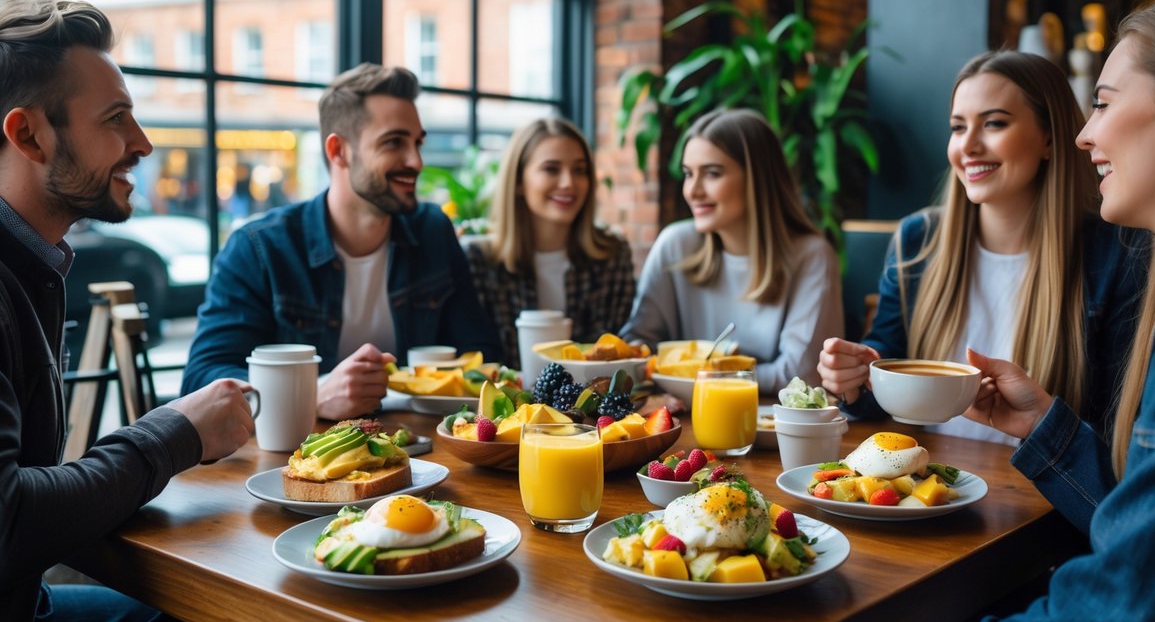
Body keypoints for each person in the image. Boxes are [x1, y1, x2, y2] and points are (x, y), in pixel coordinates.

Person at [897, 0, 1155, 622]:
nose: (1084, 133)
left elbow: (1127, 613)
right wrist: (1046, 424)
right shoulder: (918, 242)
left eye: (1101, 102)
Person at [0, 0, 281, 622]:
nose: (143, 143)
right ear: (30, 135)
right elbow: (7, 520)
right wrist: (173, 433)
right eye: (115, 118)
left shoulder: (32, 266)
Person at [818, 51, 1146, 454]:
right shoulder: (918, 240)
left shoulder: (1114, 255)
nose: (968, 146)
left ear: (1049, 137)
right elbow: (877, 384)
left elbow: (1115, 436)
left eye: (993, 123)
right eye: (958, 127)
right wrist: (851, 380)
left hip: (1043, 502)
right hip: (926, 488)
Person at [182, 63, 501, 419]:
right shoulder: (260, 248)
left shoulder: (432, 231)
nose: (416, 160)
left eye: (417, 143)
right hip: (292, 460)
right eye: (394, 142)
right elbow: (202, 381)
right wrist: (312, 395)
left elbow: (482, 355)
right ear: (338, 151)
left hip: (417, 453)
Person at [621, 108, 843, 393]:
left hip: (767, 424)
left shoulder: (812, 256)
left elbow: (800, 375)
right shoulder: (675, 244)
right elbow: (637, 348)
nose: (692, 191)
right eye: (689, 174)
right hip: (681, 421)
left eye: (712, 173)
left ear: (757, 179)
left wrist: (693, 374)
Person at [462, 118, 635, 369]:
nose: (568, 183)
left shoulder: (612, 256)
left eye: (579, 170)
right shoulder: (477, 261)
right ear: (519, 181)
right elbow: (478, 363)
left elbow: (621, 353)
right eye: (551, 169)